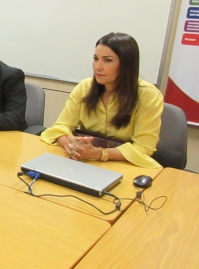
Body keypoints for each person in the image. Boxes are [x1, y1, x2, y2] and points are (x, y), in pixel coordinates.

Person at [40, 32, 163, 168]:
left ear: (126, 64)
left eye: (107, 60)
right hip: (82, 161)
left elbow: (143, 148)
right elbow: (60, 127)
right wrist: (70, 145)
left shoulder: (148, 95)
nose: (98, 67)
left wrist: (99, 153)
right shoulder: (85, 87)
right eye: (95, 59)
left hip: (123, 166)